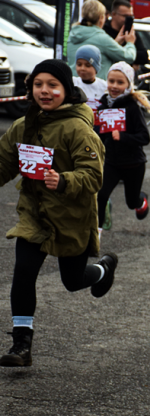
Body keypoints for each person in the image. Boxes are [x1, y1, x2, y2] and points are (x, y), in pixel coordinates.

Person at [0, 60, 118, 368]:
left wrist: (63, 179)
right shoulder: (23, 126)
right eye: (38, 84)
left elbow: (94, 177)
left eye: (52, 85)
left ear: (66, 89)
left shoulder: (78, 128)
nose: (44, 91)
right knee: (24, 271)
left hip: (72, 219)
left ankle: (104, 268)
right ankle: (21, 344)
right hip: (35, 216)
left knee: (73, 280)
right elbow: (4, 164)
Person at [95, 62, 150, 234]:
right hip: (112, 162)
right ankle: (95, 233)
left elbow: (145, 137)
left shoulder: (132, 107)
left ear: (128, 85)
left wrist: (123, 136)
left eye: (120, 82)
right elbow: (101, 135)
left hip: (133, 164)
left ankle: (141, 201)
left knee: (131, 202)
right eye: (111, 81)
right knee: (101, 195)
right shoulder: (103, 105)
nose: (114, 86)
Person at [67, 0, 137, 81]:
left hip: (74, 84)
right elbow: (129, 57)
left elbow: (100, 50)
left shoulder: (73, 34)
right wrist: (130, 43)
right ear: (101, 18)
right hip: (95, 88)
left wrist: (115, 43)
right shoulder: (102, 38)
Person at [102, 0, 147, 76]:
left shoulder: (130, 33)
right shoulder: (104, 31)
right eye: (125, 16)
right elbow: (104, 54)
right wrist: (129, 56)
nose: (129, 19)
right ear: (114, 14)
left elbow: (144, 56)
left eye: (131, 16)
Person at [73, 45, 107, 118]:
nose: (82, 68)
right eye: (79, 64)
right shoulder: (73, 83)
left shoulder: (104, 87)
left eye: (88, 65)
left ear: (96, 67)